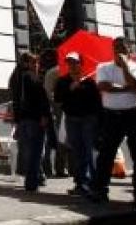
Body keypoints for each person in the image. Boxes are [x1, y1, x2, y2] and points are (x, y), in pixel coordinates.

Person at [89, 37, 136, 208]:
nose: (118, 51)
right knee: (106, 154)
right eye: (115, 48)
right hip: (111, 115)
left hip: (135, 115)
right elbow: (103, 86)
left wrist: (125, 67)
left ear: (129, 51)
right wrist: (126, 88)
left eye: (122, 48)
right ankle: (100, 191)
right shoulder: (103, 67)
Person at [54, 51, 101, 195]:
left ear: (81, 64)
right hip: (72, 119)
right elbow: (57, 99)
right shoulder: (62, 81)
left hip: (88, 120)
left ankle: (94, 184)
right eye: (69, 62)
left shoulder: (89, 81)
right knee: (77, 152)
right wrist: (70, 89)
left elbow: (97, 103)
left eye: (75, 62)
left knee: (90, 151)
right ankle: (80, 183)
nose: (72, 65)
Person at [9, 51, 51, 193]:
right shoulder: (31, 77)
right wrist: (45, 114)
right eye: (34, 62)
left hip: (23, 119)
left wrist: (17, 119)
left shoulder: (15, 77)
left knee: (29, 151)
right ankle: (32, 182)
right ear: (27, 63)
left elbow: (15, 100)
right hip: (34, 118)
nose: (37, 65)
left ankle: (38, 177)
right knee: (36, 151)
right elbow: (40, 98)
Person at [41, 49, 68, 179]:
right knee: (60, 139)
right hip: (60, 110)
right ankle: (59, 168)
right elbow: (48, 93)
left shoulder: (54, 72)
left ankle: (59, 168)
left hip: (61, 109)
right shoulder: (56, 72)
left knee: (61, 139)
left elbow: (47, 93)